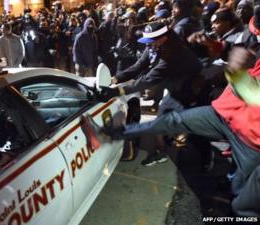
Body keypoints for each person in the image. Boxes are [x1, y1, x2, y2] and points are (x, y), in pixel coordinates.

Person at [102, 47, 260, 216]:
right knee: (172, 120)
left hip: (250, 140)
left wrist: (238, 73)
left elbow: (253, 94)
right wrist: (224, 53)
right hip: (223, 114)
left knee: (240, 196)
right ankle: (117, 132)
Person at [100, 22, 202, 166]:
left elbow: (147, 80)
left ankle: (204, 159)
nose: (148, 46)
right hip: (175, 89)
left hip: (192, 90)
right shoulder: (154, 47)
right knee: (160, 121)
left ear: (163, 39)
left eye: (150, 42)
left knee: (192, 130)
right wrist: (115, 79)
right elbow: (138, 66)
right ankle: (161, 153)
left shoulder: (174, 54)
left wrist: (117, 91)